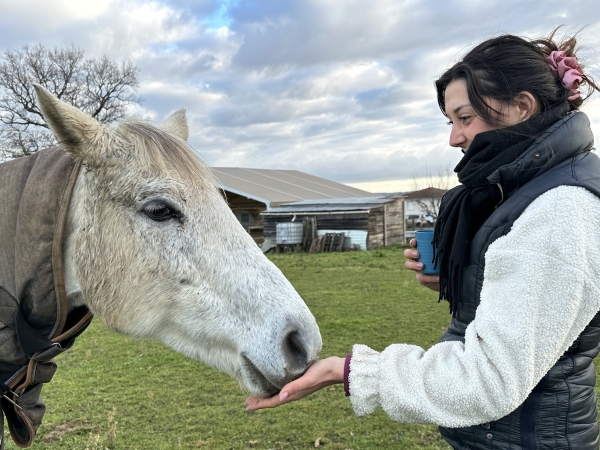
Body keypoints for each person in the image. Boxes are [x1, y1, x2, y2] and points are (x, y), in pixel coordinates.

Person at [245, 28, 600, 449]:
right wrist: (467, 278)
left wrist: (349, 371)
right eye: (450, 121)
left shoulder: (561, 208)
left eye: (465, 118)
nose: (454, 137)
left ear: (522, 107)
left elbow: (488, 381)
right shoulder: (532, 191)